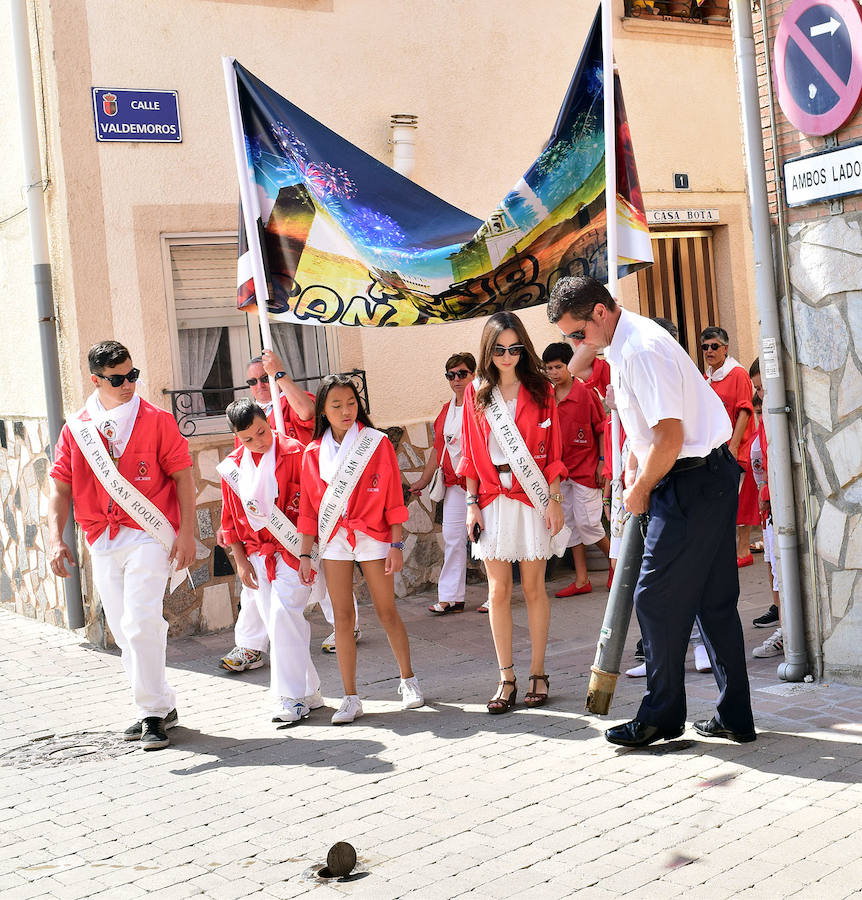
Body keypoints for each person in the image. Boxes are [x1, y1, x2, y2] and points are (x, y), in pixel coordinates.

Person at [548, 276, 755, 746]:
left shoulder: (639, 348)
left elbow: (669, 437)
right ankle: (734, 715)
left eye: (576, 332)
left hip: (688, 479)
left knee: (655, 598)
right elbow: (584, 371)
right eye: (568, 336)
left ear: (601, 312)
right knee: (712, 600)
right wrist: (581, 339)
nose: (575, 345)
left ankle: (662, 715)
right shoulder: (620, 340)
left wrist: (640, 488)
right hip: (700, 477)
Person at [48, 341, 195, 751]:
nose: (129, 384)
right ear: (96, 380)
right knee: (121, 627)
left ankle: (149, 714)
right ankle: (162, 703)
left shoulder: (158, 420)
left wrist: (185, 533)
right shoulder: (77, 428)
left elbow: (184, 477)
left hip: (149, 534)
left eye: (133, 375)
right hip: (101, 536)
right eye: (117, 379)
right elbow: (60, 488)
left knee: (141, 620)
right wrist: (54, 538)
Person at [219, 354, 360, 671]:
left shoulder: (288, 402)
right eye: (252, 381)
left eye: (262, 378)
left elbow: (309, 413)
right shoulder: (245, 426)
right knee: (260, 587)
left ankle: (344, 625)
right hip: (268, 520)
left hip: (305, 498)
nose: (259, 385)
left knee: (321, 573)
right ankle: (251, 646)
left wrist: (279, 375)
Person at [298, 375, 424, 724]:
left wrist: (396, 543)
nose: (345, 411)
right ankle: (350, 697)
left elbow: (393, 497)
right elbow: (309, 510)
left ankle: (408, 679)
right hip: (334, 539)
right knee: (342, 618)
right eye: (336, 405)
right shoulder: (311, 454)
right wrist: (305, 555)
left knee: (386, 610)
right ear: (323, 410)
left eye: (351, 404)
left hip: (374, 536)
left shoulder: (376, 443)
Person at [459, 312, 568, 714]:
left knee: (535, 587)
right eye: (500, 349)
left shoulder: (541, 390)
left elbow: (554, 452)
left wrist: (554, 501)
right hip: (491, 498)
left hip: (532, 496)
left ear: (523, 347)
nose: (508, 356)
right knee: (497, 591)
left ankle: (538, 672)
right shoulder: (477, 393)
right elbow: (470, 455)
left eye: (515, 348)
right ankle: (506, 677)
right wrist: (471, 505)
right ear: (489, 351)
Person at [219, 399, 321, 723]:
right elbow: (229, 521)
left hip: (293, 552)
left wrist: (305, 554)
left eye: (262, 432)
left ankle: (289, 698)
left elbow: (309, 509)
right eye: (248, 439)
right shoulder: (232, 467)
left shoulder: (295, 452)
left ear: (268, 420)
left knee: (281, 617)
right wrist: (240, 561)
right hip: (257, 556)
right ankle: (310, 691)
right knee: (282, 626)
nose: (258, 442)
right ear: (237, 437)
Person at [410, 352, 480, 614]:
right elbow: (438, 450)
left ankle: (496, 595)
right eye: (451, 375)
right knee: (452, 538)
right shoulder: (446, 410)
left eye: (462, 373)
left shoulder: (483, 404)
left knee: (486, 538)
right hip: (454, 483)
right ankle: (452, 596)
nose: (457, 380)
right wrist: (423, 480)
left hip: (481, 483)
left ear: (473, 374)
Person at [542, 342, 609, 598]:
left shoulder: (586, 393)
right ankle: (582, 579)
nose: (554, 372)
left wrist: (602, 460)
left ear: (569, 366)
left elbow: (601, 428)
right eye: (549, 368)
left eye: (558, 366)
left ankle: (617, 566)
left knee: (589, 523)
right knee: (570, 526)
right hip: (560, 473)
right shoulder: (547, 397)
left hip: (585, 470)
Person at [701, 327, 759, 567]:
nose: (709, 351)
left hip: (736, 447)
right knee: (722, 499)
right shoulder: (708, 377)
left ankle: (743, 549)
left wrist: (735, 446)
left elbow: (745, 409)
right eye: (705, 347)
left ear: (725, 348)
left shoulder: (737, 374)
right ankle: (728, 549)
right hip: (715, 449)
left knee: (740, 498)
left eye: (714, 346)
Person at [748, 358, 784, 659]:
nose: (760, 395)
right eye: (757, 390)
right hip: (768, 504)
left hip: (778, 500)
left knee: (781, 569)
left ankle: (788, 630)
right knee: (772, 566)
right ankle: (784, 626)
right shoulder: (764, 420)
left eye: (763, 388)